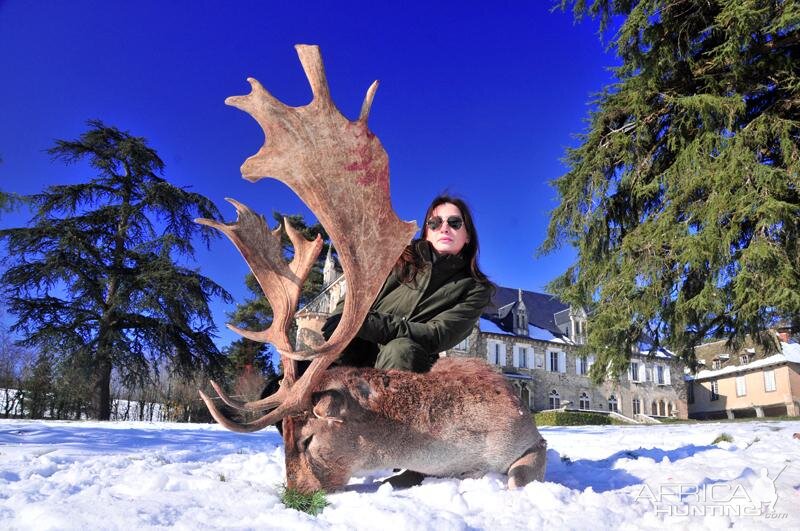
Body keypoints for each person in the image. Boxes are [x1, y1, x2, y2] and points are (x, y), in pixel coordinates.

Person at [321, 194, 494, 373]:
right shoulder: (393, 259)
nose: (444, 228)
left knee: (401, 350)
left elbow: (436, 335)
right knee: (297, 366)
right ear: (426, 232)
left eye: (454, 223)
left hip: (407, 366)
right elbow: (350, 302)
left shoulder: (475, 289)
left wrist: (361, 323)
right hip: (353, 354)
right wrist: (339, 323)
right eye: (434, 223)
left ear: (468, 236)